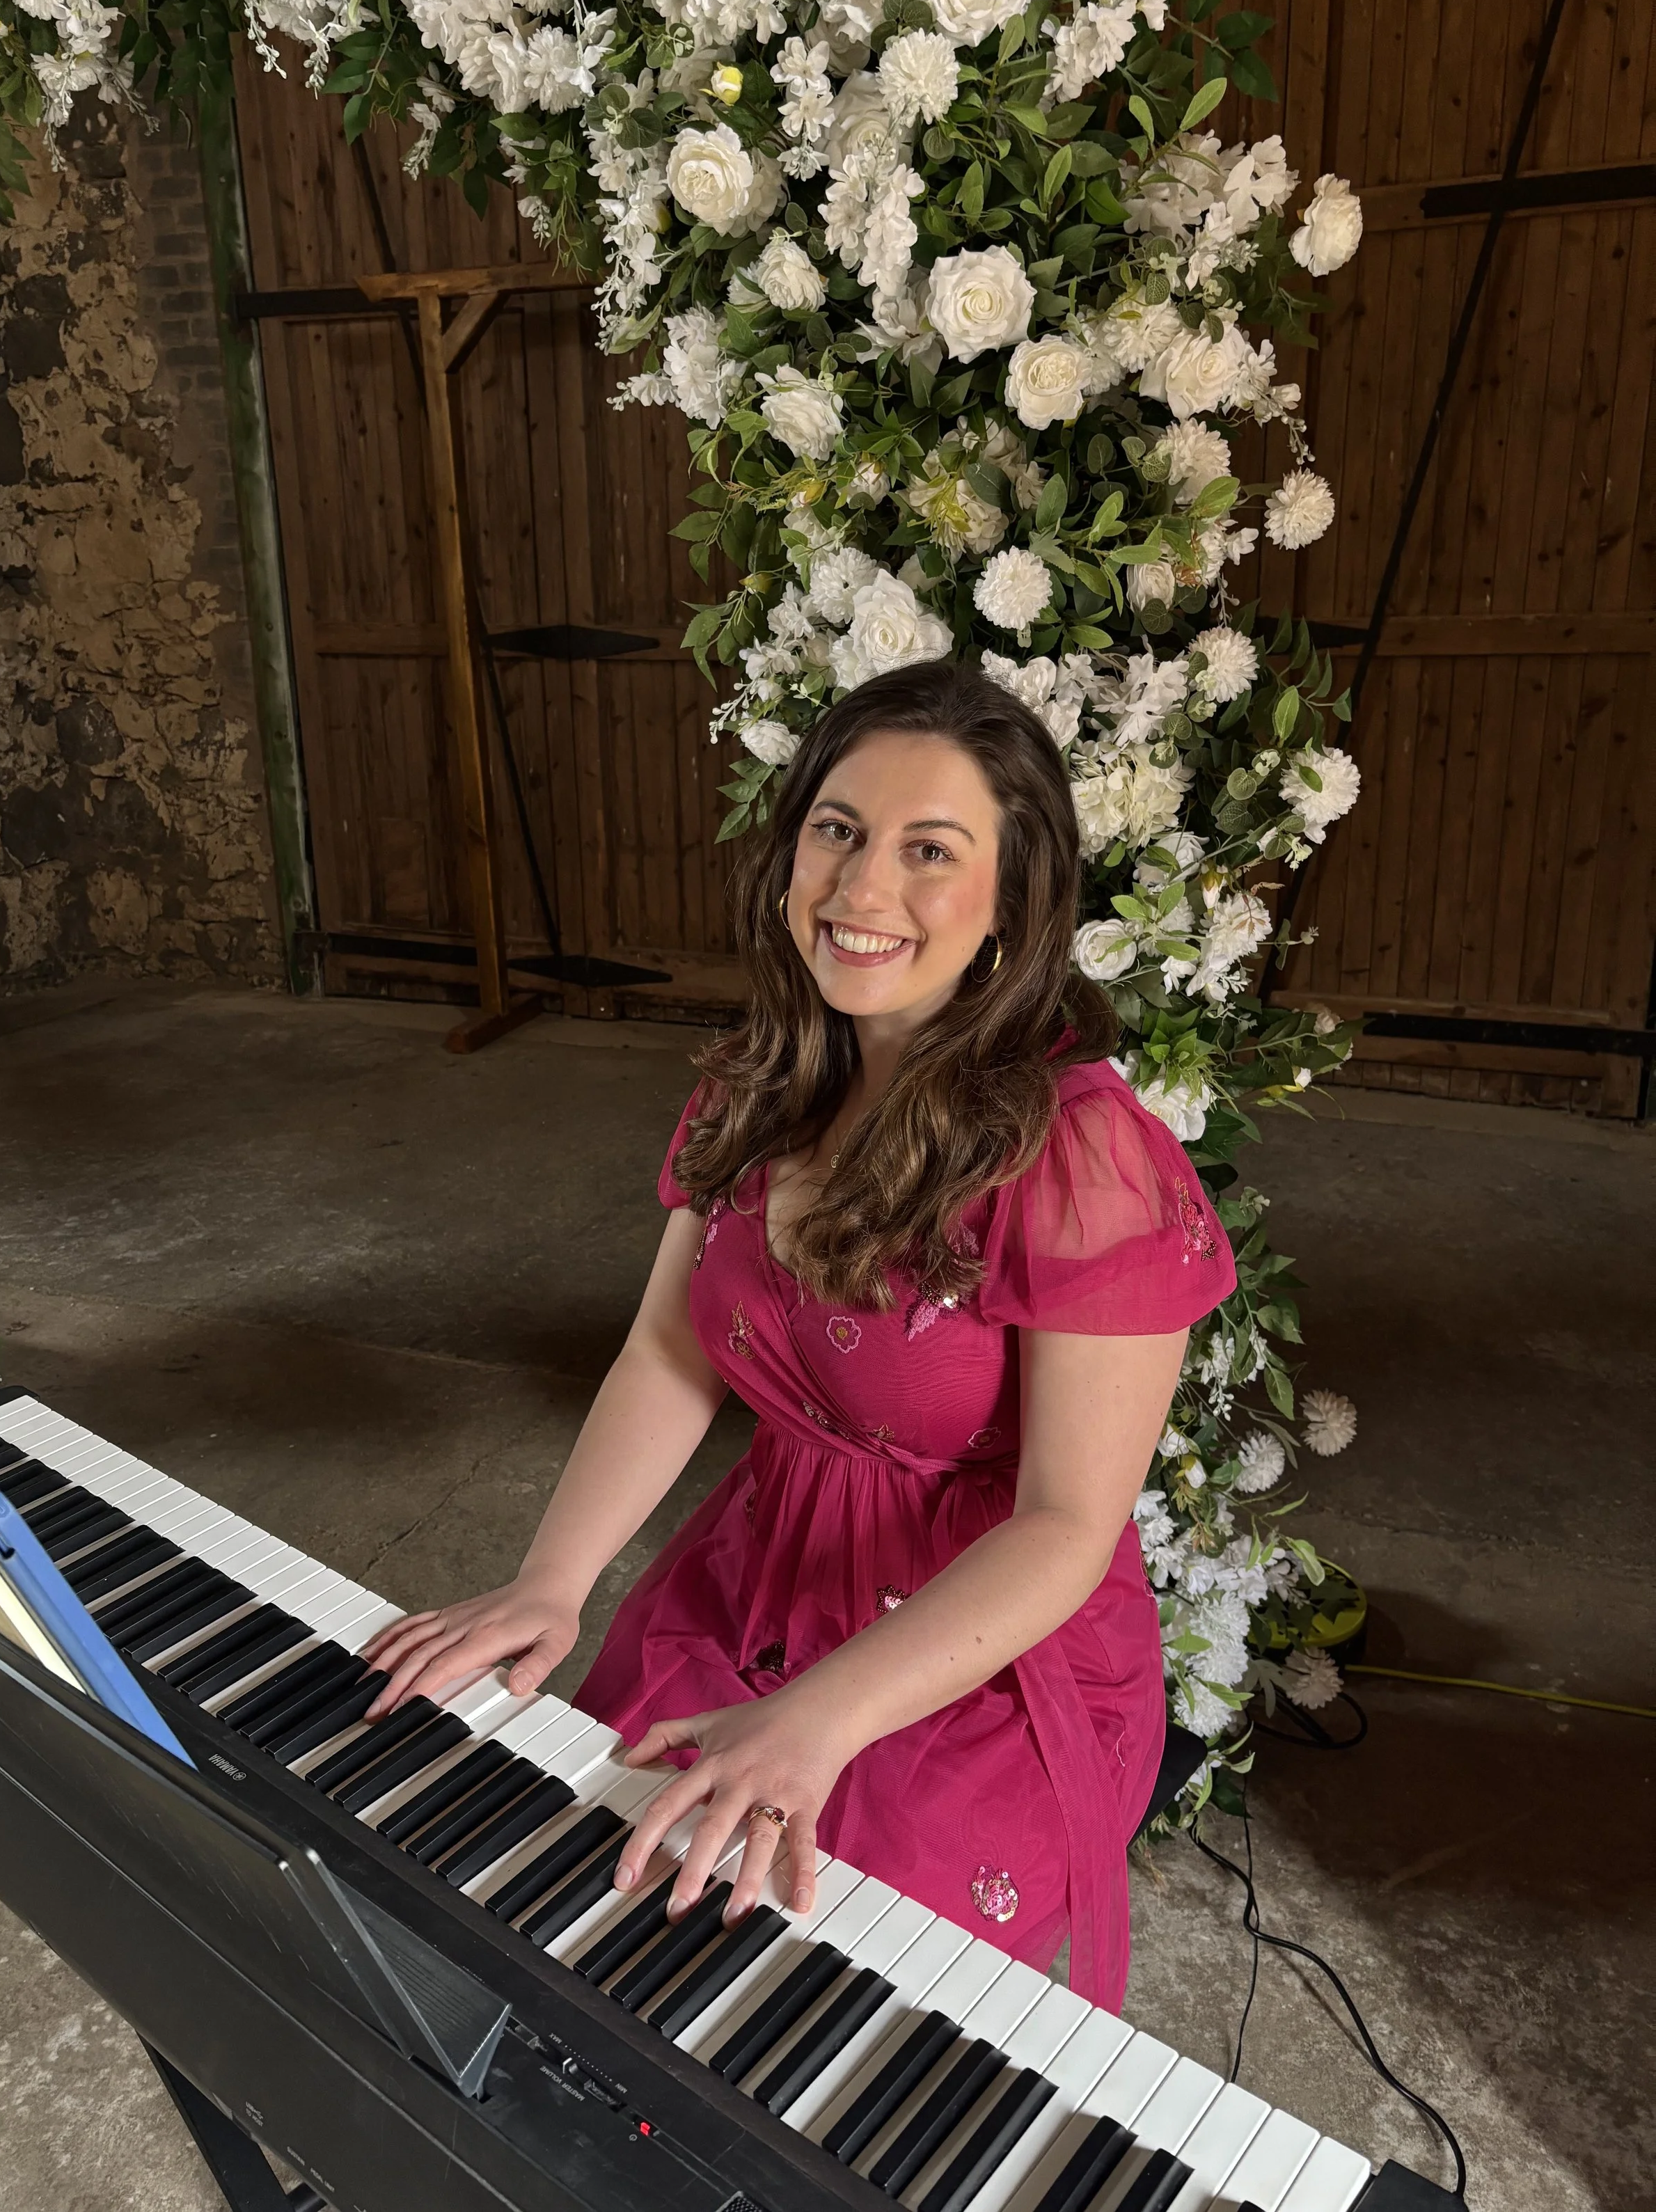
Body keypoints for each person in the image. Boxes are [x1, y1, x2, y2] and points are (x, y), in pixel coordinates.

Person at [363, 660, 1235, 2010]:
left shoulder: (1081, 1156)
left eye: (927, 851)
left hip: (981, 1649)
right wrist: (551, 1580)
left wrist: (816, 1721)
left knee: (824, 1990)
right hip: (757, 1571)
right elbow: (667, 1352)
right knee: (607, 1903)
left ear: (1009, 903)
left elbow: (1066, 1524)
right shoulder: (757, 1086)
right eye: (835, 830)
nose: (858, 888)